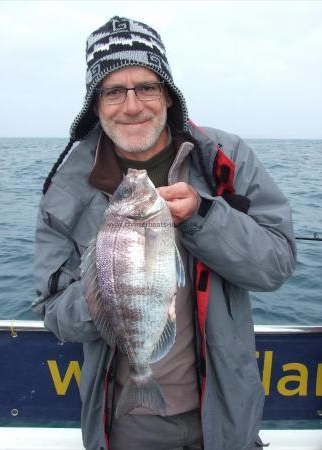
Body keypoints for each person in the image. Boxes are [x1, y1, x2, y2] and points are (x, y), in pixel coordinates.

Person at [33, 16, 296, 450]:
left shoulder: (226, 159)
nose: (132, 105)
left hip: (228, 415)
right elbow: (54, 313)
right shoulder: (64, 191)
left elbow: (277, 266)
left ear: (169, 96)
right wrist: (110, 286)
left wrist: (204, 217)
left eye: (147, 88)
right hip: (129, 422)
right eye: (113, 91)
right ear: (94, 105)